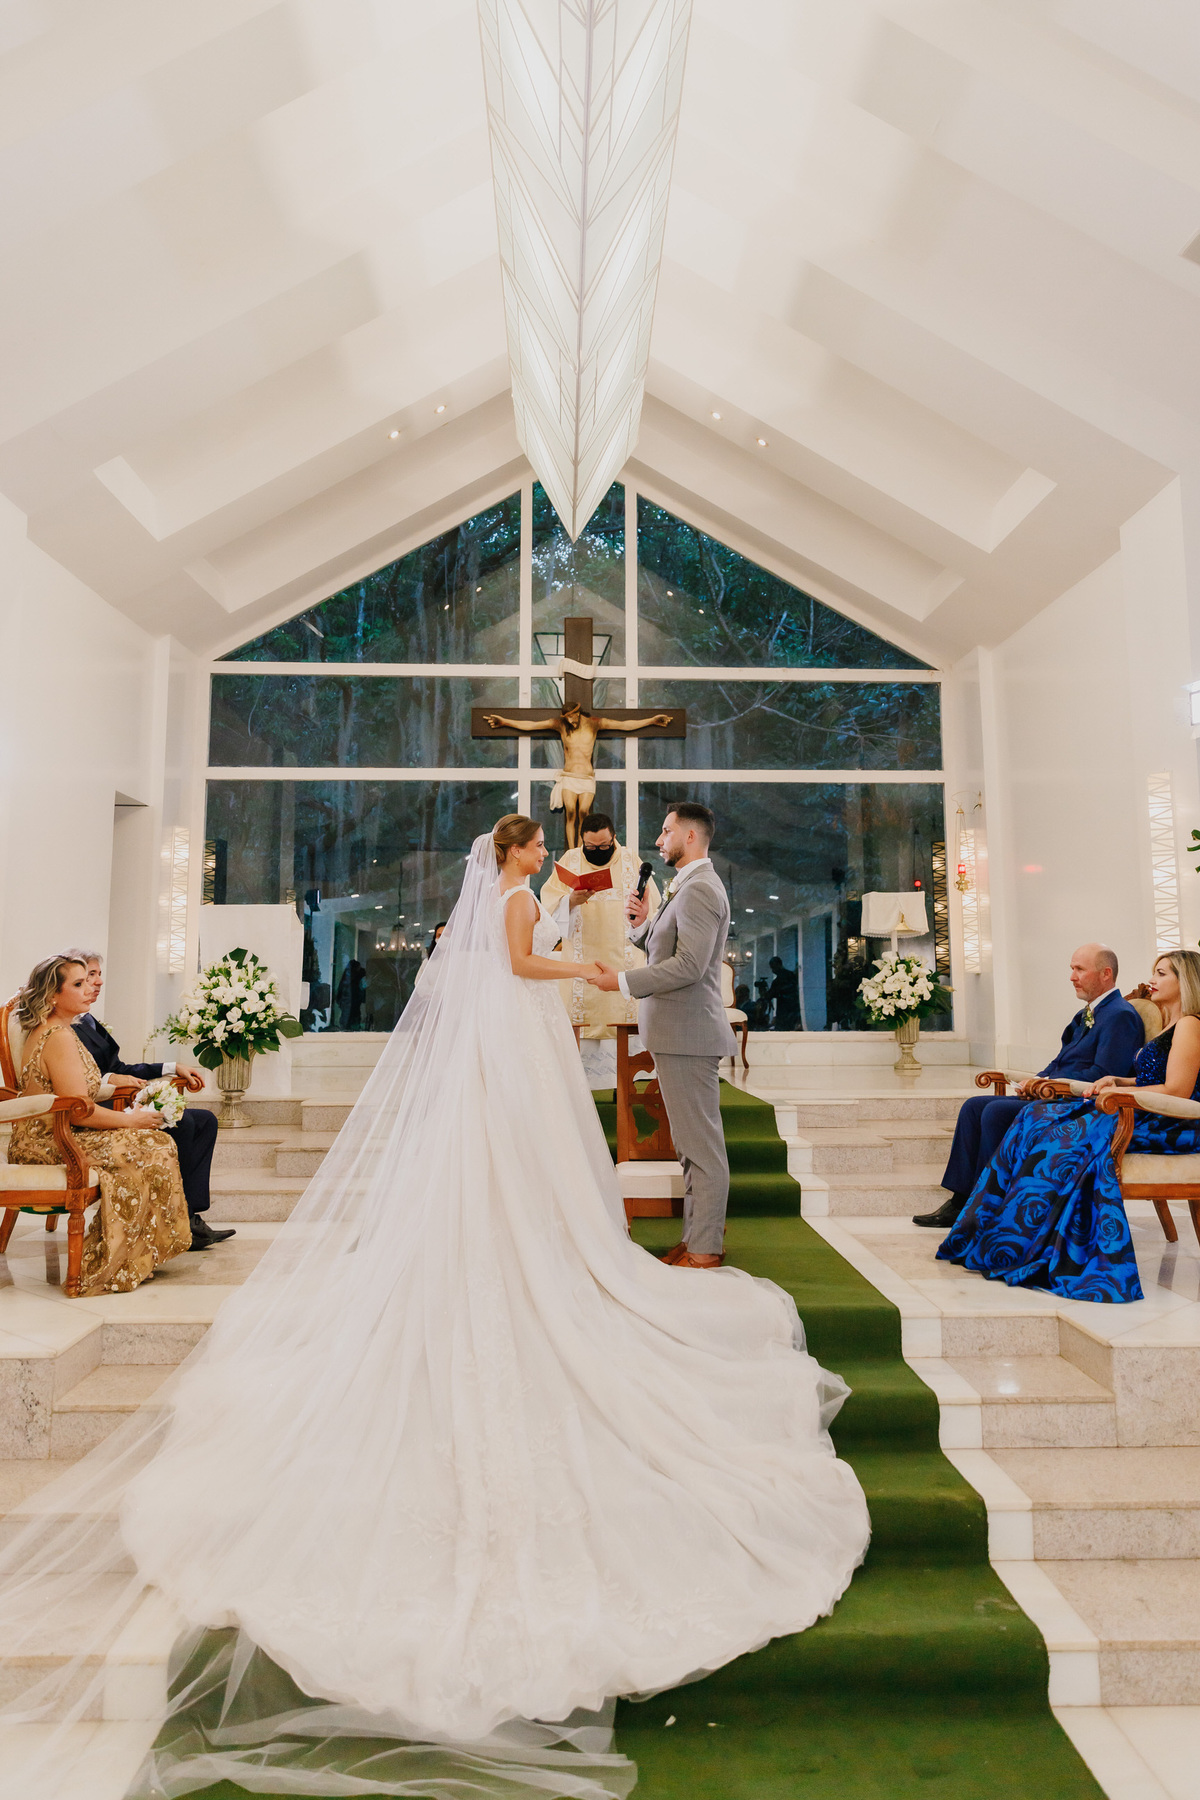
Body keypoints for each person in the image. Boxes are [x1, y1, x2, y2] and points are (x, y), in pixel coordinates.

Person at [0, 819, 868, 1800]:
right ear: (520, 852)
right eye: (537, 850)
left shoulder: (512, 894)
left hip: (511, 1055)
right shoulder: (511, 897)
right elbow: (514, 960)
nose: (542, 861)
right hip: (514, 1056)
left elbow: (502, 964)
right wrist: (576, 974)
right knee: (521, 1179)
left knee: (512, 1179)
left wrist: (573, 967)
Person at [937, 951, 1200, 1302]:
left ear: (1186, 981)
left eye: (1162, 973)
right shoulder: (1170, 1025)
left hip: (1169, 1124)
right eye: (1154, 971)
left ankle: (1031, 1243)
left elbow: (1177, 1092)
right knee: (1034, 1118)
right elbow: (1153, 1079)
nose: (1152, 978)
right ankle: (999, 1231)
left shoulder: (1190, 1024)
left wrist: (1118, 1091)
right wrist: (1119, 1079)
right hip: (1143, 1110)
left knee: (1057, 1136)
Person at [592, 802, 737, 1268]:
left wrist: (621, 981)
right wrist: (642, 928)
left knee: (702, 1149)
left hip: (688, 1035)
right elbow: (672, 944)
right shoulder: (689, 885)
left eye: (666, 831)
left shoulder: (699, 889)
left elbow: (690, 967)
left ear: (690, 836)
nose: (659, 840)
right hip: (678, 1033)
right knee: (690, 1149)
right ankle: (697, 1238)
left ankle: (705, 1250)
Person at [913, 943, 1144, 1228]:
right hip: (1054, 1093)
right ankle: (962, 1201)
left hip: (1079, 1105)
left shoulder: (1120, 1015)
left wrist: (1048, 1084)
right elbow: (1060, 1061)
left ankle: (987, 1208)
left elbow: (1105, 1073)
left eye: (1079, 969)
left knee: (995, 1112)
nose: (1072, 976)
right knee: (973, 1107)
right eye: (1072, 968)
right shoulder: (1088, 1013)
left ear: (1106, 974)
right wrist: (1035, 1080)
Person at [6, 954, 192, 1295]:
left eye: (87, 980)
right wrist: (131, 1120)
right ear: (52, 996)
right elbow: (78, 1110)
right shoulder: (58, 1036)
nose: (90, 987)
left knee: (154, 1143)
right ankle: (113, 1261)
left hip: (62, 1131)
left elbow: (79, 1095)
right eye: (77, 984)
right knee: (151, 1145)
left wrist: (124, 1094)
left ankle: (136, 1254)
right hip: (50, 1142)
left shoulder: (60, 1029)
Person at [65, 950, 230, 1251]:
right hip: (98, 1108)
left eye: (98, 974)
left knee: (206, 1120)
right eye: (89, 977)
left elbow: (121, 1068)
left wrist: (171, 1068)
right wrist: (108, 1082)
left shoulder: (88, 1021)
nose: (98, 982)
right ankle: (175, 1222)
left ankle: (190, 1214)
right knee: (182, 1122)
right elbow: (80, 1082)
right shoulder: (62, 1029)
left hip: (115, 1097)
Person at [538, 811, 660, 1080]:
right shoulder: (571, 860)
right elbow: (547, 909)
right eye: (590, 847)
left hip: (624, 962)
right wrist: (571, 901)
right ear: (582, 841)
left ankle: (626, 1085)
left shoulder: (631, 861)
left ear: (614, 837)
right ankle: (585, 1089)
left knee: (624, 1018)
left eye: (604, 846)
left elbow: (653, 910)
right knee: (581, 1025)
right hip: (582, 965)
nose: (597, 851)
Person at [766, 955, 801, 1030]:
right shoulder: (791, 975)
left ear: (778, 965)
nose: (773, 970)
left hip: (785, 1013)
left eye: (773, 967)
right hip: (792, 1011)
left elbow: (770, 995)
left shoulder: (779, 980)